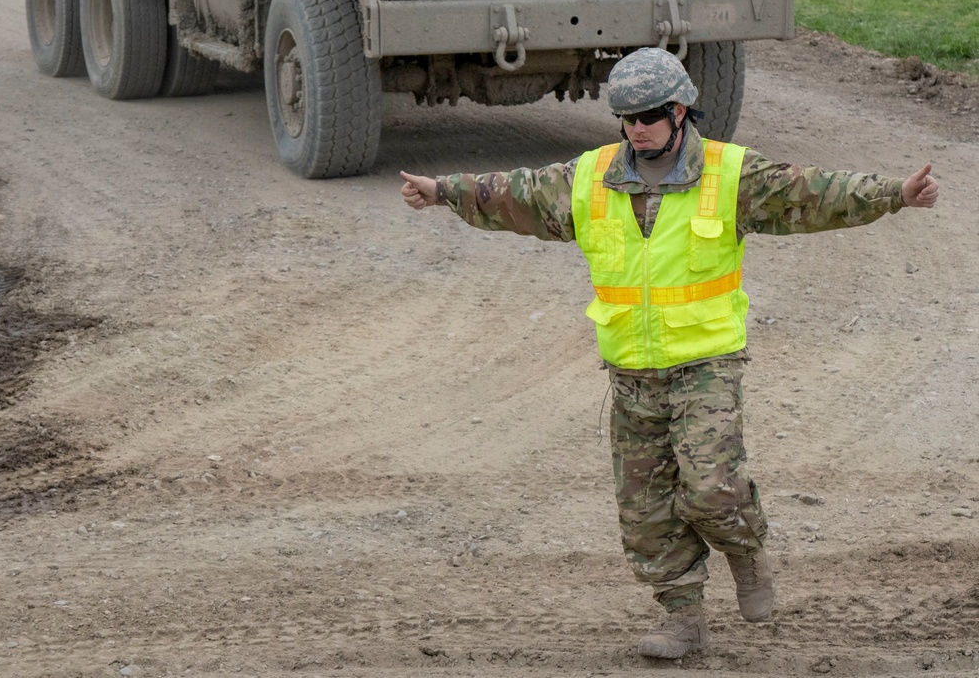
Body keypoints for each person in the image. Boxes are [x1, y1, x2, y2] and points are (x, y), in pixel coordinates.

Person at [398, 47, 939, 659]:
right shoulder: (591, 176)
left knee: (710, 488)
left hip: (705, 365)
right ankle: (684, 621)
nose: (637, 129)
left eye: (649, 116)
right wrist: (442, 191)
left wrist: (895, 192)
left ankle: (745, 553)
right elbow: (513, 193)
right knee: (646, 512)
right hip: (631, 372)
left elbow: (811, 193)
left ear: (680, 110)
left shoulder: (731, 175)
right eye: (626, 118)